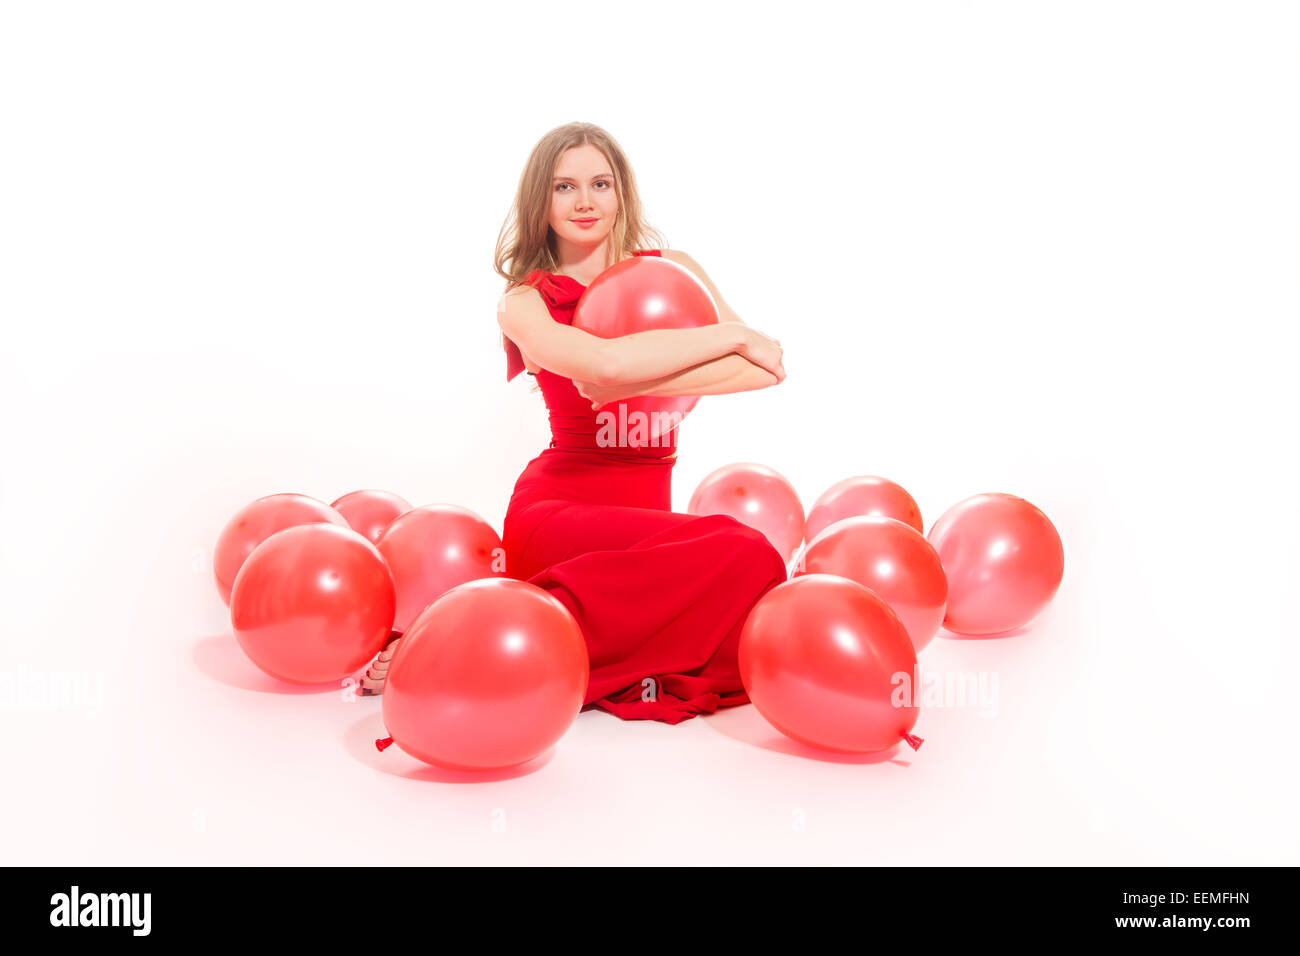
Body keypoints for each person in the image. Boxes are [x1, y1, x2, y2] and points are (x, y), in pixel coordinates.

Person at [365, 122, 789, 724]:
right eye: (565, 187)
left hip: (646, 526)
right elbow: (606, 362)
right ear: (542, 201)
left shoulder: (673, 271)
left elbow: (762, 372)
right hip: (559, 513)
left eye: (600, 183)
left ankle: (510, 637)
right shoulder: (526, 301)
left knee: (752, 590)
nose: (585, 201)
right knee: (743, 550)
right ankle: (463, 639)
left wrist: (646, 374)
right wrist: (731, 337)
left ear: (622, 194)